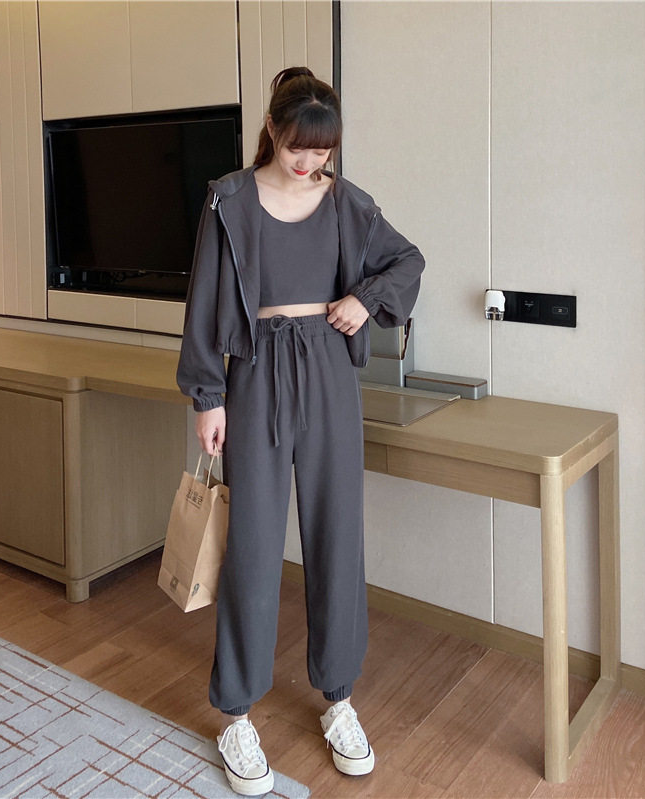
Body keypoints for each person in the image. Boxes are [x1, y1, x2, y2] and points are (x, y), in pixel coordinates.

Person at [176, 66, 425, 796]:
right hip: (254, 373)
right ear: (273, 131)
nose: (309, 162)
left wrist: (364, 299)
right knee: (252, 547)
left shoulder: (346, 203)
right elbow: (203, 302)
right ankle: (236, 712)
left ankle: (338, 697)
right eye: (298, 147)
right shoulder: (229, 200)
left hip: (326, 370)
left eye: (322, 150)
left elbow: (407, 261)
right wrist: (208, 396)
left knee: (337, 536)